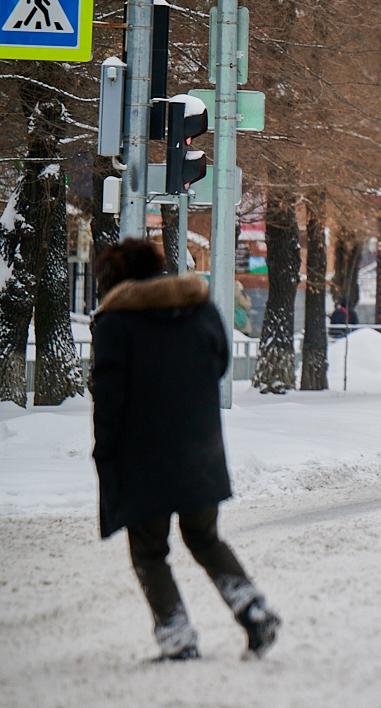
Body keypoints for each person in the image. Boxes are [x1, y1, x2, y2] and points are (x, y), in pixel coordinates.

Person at [91, 240, 280, 662]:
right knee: (204, 537)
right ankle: (253, 608)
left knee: (149, 550)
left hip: (142, 458)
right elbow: (219, 364)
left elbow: (109, 400)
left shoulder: (116, 324)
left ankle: (177, 637)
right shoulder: (201, 311)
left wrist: (106, 455)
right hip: (200, 450)